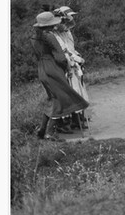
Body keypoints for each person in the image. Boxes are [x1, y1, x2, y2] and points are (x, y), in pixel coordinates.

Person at [31, 11, 89, 140]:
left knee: (52, 98)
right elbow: (60, 57)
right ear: (49, 25)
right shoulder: (50, 36)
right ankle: (49, 132)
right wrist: (67, 67)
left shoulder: (34, 37)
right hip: (53, 68)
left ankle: (42, 130)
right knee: (61, 98)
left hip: (41, 68)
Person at [52, 5, 89, 129]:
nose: (69, 21)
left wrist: (78, 56)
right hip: (66, 64)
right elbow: (65, 51)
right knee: (72, 91)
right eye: (67, 19)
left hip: (73, 62)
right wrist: (77, 59)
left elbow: (71, 48)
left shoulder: (67, 32)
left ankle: (78, 116)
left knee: (78, 89)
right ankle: (74, 118)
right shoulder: (56, 34)